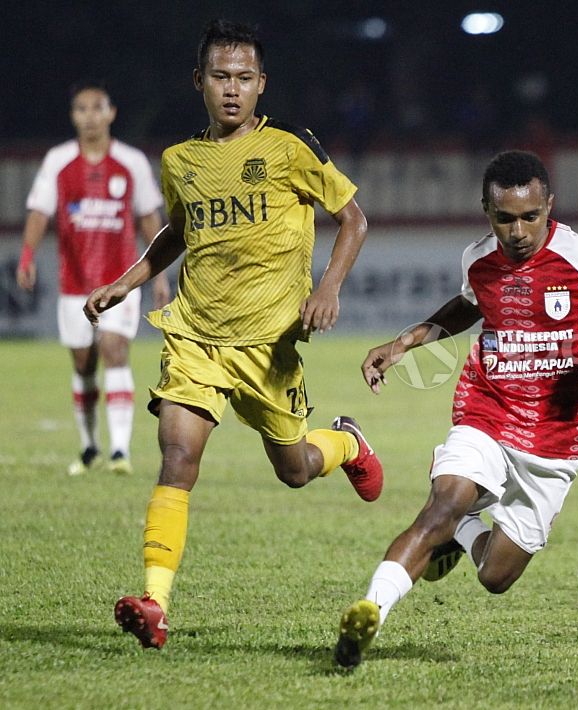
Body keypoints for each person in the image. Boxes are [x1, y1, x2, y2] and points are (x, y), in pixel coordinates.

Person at [84, 19, 383, 650]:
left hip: (269, 346)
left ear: (261, 84)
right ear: (199, 82)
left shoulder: (289, 148)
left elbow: (352, 217)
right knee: (178, 455)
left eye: (244, 78)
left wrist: (327, 289)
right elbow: (177, 231)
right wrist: (130, 279)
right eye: (220, 76)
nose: (232, 89)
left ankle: (347, 445)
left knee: (296, 469)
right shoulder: (181, 161)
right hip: (196, 335)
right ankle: (155, 603)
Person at [332, 150, 578, 668]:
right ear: (486, 211)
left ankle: (466, 531)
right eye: (504, 218)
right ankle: (369, 612)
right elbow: (469, 304)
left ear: (549, 207)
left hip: (558, 436)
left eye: (529, 216)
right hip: (488, 408)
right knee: (440, 507)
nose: (517, 230)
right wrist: (406, 341)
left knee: (496, 576)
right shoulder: (478, 258)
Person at [17, 82, 170, 476]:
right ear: (73, 116)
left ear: (111, 113)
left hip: (120, 283)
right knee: (84, 365)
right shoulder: (58, 161)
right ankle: (89, 447)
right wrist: (28, 254)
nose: (89, 116)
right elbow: (38, 212)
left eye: (96, 108)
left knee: (115, 350)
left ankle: (120, 451)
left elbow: (150, 218)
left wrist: (158, 274)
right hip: (74, 284)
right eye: (81, 109)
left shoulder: (131, 162)